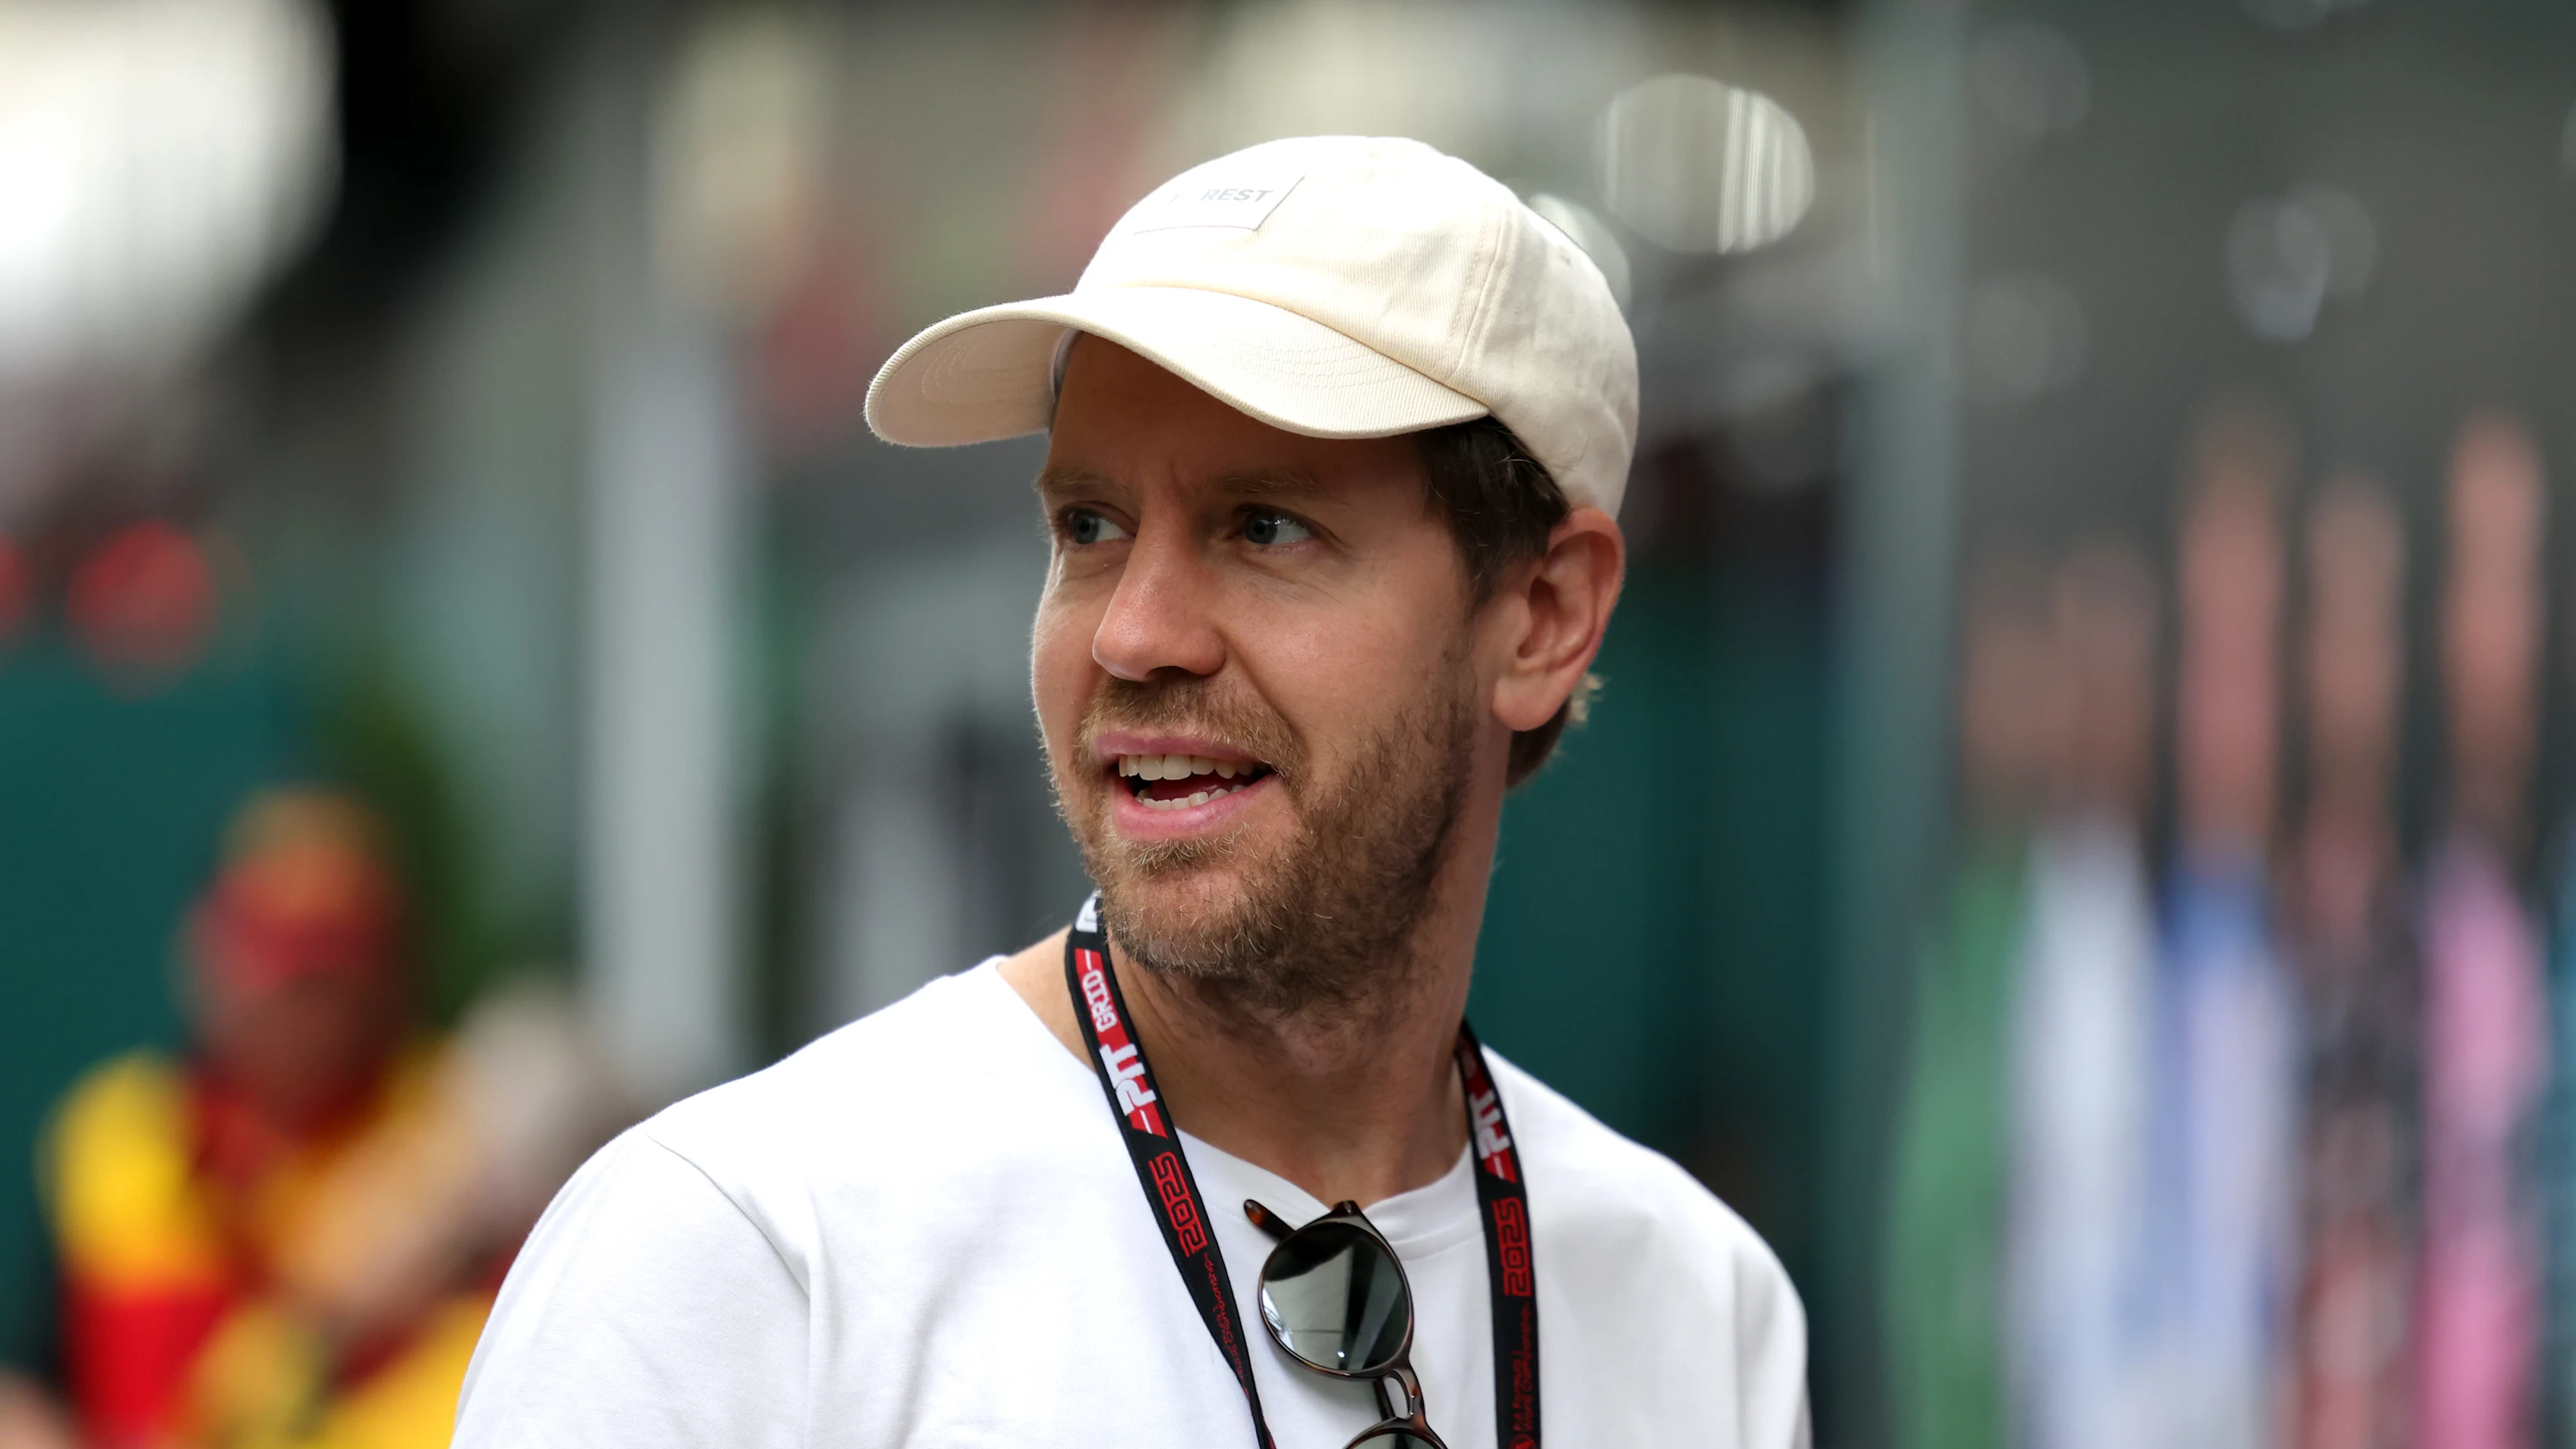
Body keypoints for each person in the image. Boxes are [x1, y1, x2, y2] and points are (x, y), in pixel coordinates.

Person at [453, 135, 1810, 1448]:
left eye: (1265, 524)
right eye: (1087, 527)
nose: (1130, 633)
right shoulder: (751, 1256)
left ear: (1540, 614)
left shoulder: (1700, 1309)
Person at [33, 788, 611, 1449]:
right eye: (277, 958)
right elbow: (48, 1380)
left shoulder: (457, 1123)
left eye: (334, 964)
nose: (305, 1004)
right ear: (205, 947)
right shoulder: (115, 1131)